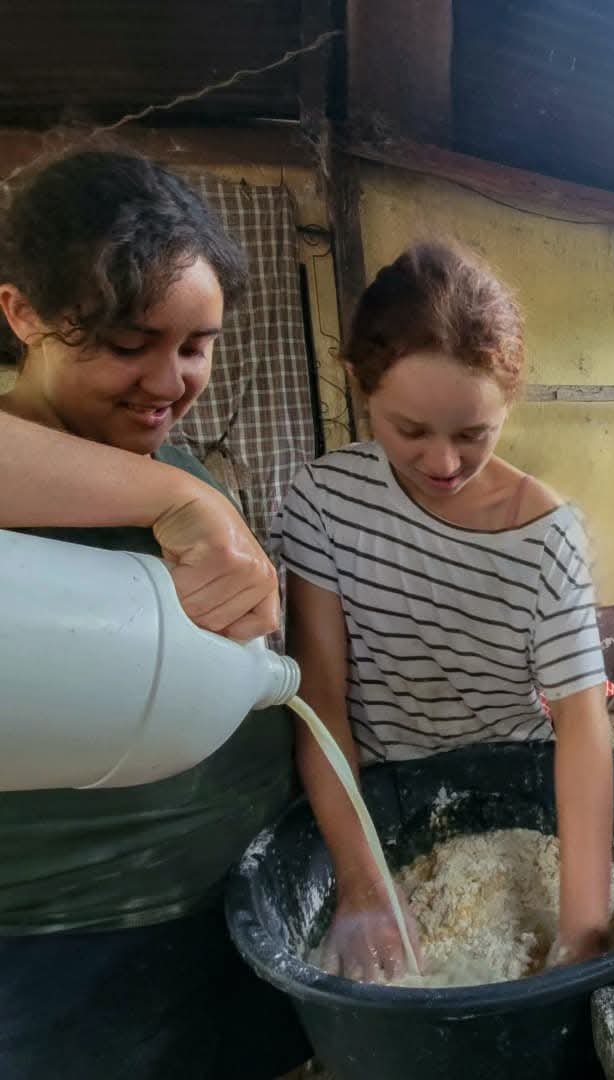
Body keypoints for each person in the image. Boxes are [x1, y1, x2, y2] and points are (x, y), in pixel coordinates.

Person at [0, 151, 308, 1077]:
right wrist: (189, 504)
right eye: (128, 344)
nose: (168, 381)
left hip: (233, 903)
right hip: (75, 948)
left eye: (196, 344)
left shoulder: (164, 448)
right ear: (22, 314)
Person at [270, 241, 614, 982]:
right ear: (361, 387)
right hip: (376, 801)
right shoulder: (325, 501)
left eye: (472, 434)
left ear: (508, 403)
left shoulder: (546, 535)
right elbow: (320, 698)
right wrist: (363, 887)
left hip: (515, 794)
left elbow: (581, 722)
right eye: (410, 431)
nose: (444, 464)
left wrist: (581, 931)